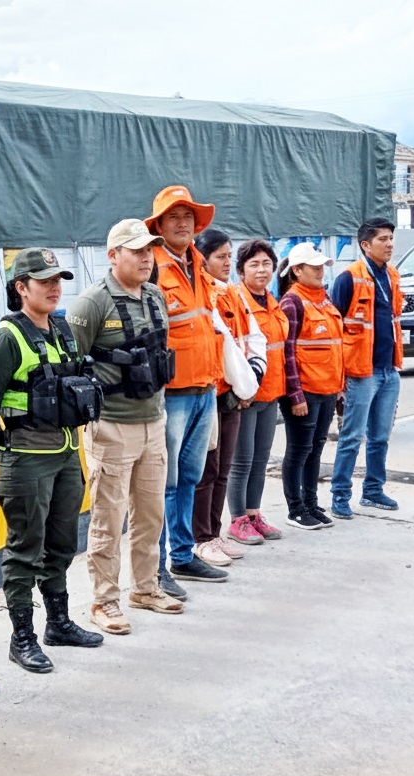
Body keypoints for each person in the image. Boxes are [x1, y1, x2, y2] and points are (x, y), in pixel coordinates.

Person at [0, 247, 104, 669]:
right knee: (24, 550)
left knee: (62, 544)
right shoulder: (8, 338)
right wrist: (2, 447)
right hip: (26, 459)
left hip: (66, 454)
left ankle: (59, 623)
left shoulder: (63, 330)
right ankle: (22, 638)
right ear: (21, 287)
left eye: (57, 281)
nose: (54, 288)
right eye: (44, 281)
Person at [67, 219, 184, 633]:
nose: (146, 258)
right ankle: (104, 600)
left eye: (149, 250)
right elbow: (72, 365)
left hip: (153, 421)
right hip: (112, 426)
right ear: (113, 255)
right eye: (136, 251)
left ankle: (146, 588)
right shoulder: (91, 303)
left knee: (150, 515)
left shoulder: (154, 295)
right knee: (108, 518)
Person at [145, 186, 226, 588]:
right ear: (159, 226)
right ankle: (158, 567)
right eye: (173, 217)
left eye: (188, 217)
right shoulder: (152, 267)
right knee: (166, 483)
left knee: (190, 477)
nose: (182, 223)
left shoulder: (198, 264)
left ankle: (182, 555)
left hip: (204, 390)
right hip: (172, 393)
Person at [330, 218, 404, 517]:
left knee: (380, 437)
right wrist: (340, 377)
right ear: (365, 244)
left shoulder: (392, 275)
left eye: (390, 238)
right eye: (383, 239)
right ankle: (340, 494)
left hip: (388, 370)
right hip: (362, 372)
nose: (389, 244)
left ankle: (373, 490)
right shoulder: (349, 278)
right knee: (351, 437)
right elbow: (335, 327)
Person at [191, 228, 251, 566]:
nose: (228, 262)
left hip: (233, 392)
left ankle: (214, 533)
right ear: (203, 260)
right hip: (210, 392)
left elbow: (247, 337)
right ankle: (201, 538)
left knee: (222, 470)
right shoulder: (205, 294)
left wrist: (248, 380)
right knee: (207, 470)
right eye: (221, 257)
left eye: (230, 256)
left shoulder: (232, 293)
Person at [277, 243, 344, 529]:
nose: (320, 271)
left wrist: (339, 388)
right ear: (296, 270)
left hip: (327, 388)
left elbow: (334, 346)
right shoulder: (292, 302)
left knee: (315, 449)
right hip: (305, 391)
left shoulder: (323, 299)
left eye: (321, 266)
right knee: (299, 450)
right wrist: (295, 395)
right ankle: (296, 509)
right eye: (314, 267)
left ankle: (311, 504)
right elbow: (287, 352)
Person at [227, 240, 289, 544]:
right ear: (241, 271)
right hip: (247, 395)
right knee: (242, 462)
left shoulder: (272, 302)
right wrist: (242, 389)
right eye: (254, 264)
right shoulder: (236, 302)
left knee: (261, 460)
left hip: (271, 393)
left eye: (266, 264)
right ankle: (237, 520)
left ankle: (253, 515)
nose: (262, 270)